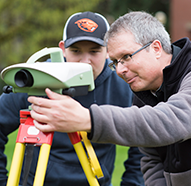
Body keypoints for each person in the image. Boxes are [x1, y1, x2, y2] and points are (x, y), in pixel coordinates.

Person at [28, 10, 191, 186]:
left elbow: (171, 120)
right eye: (116, 62)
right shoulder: (144, 90)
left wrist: (88, 119)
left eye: (126, 57)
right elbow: (152, 158)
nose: (119, 70)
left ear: (156, 48)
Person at [0, 11, 144, 186]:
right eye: (76, 51)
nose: (85, 61)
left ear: (108, 51)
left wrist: (132, 183)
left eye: (94, 51)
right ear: (62, 49)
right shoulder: (36, 79)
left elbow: (143, 137)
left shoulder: (123, 83)